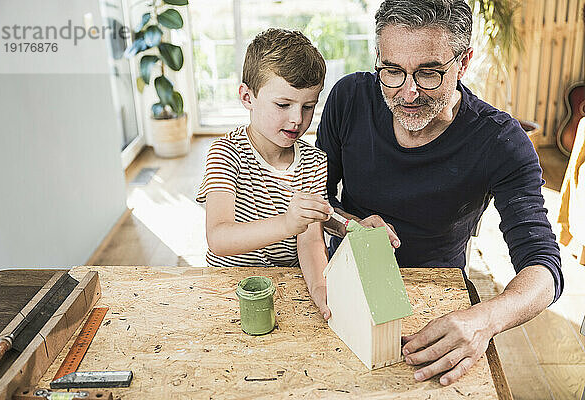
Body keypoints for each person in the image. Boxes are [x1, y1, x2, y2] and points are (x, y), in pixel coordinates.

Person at [316, 0, 563, 386]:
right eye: (392, 71)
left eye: (429, 73)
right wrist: (352, 225)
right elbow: (317, 202)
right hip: (348, 282)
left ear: (463, 62)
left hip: (437, 296)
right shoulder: (349, 99)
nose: (408, 93)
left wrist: (485, 319)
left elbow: (544, 268)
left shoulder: (500, 141)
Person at [196, 28, 333, 319]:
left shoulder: (314, 161)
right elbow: (218, 238)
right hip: (229, 292)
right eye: (283, 105)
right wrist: (288, 223)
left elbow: (309, 241)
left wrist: (320, 287)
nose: (297, 119)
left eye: (308, 106)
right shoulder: (225, 152)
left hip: (288, 290)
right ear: (248, 97)